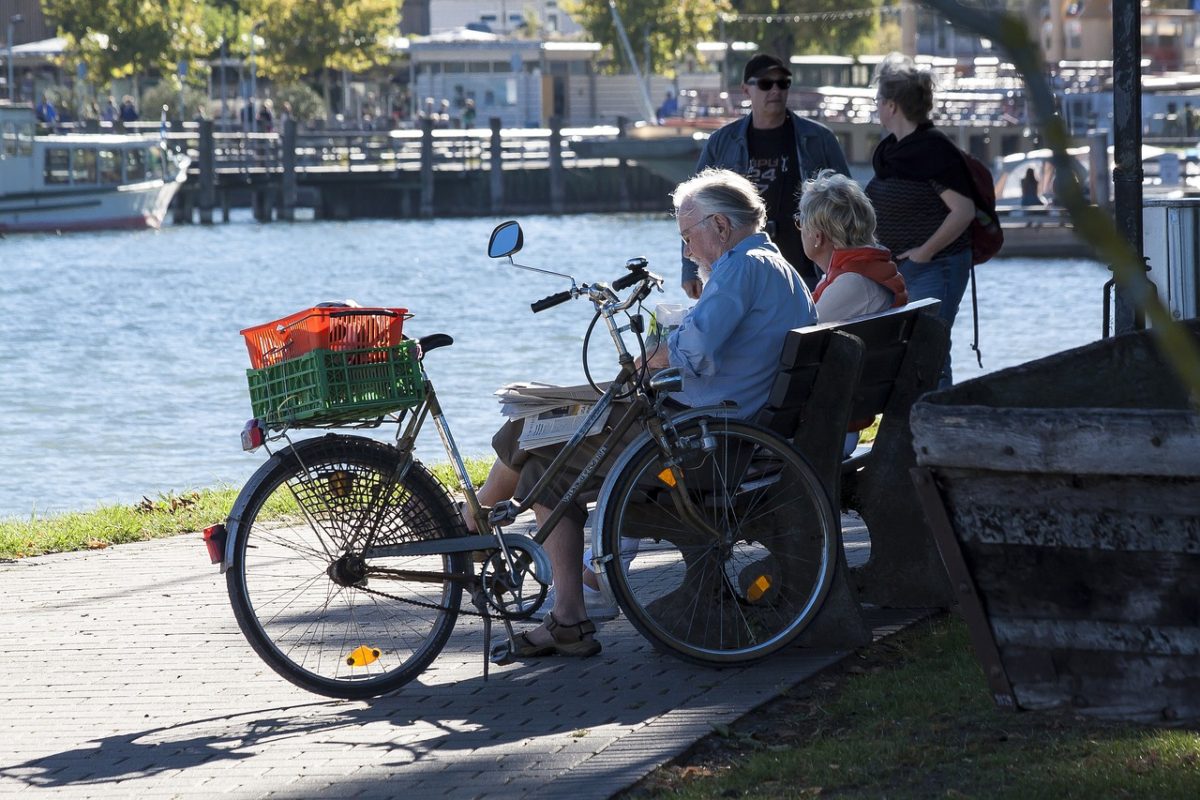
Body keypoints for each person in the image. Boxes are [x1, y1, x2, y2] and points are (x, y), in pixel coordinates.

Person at [469, 168, 817, 658]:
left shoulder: (742, 267)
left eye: (688, 236)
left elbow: (692, 349)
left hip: (703, 444)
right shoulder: (774, 265)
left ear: (719, 226)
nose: (687, 250)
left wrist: (653, 352)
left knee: (535, 437)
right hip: (736, 432)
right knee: (540, 460)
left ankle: (474, 530)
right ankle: (564, 613)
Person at [682, 53, 851, 300]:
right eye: (765, 83)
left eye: (782, 83)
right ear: (746, 90)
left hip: (810, 271)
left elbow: (848, 203)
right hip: (743, 271)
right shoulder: (722, 142)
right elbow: (692, 206)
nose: (775, 90)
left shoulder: (818, 139)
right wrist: (690, 269)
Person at [865, 52, 975, 387]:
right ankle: (917, 425)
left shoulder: (932, 150)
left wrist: (925, 251)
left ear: (893, 105)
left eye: (879, 100)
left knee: (931, 351)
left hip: (936, 265)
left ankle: (941, 426)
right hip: (903, 268)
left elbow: (963, 211)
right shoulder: (892, 151)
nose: (877, 107)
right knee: (912, 352)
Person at [795, 169, 907, 322]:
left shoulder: (850, 283)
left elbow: (799, 333)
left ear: (817, 237)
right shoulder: (862, 270)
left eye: (801, 223)